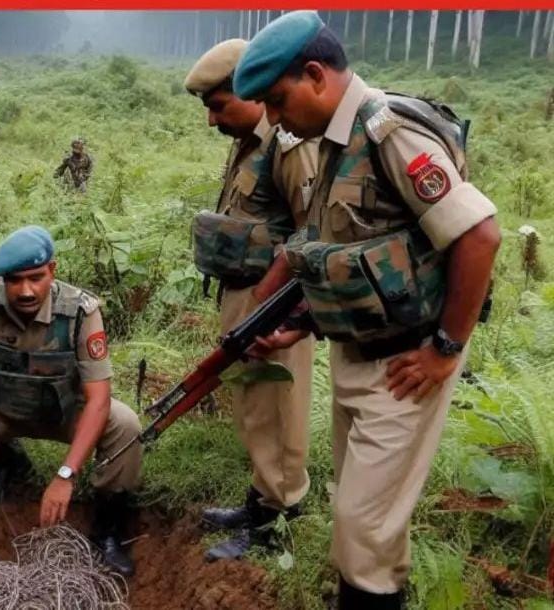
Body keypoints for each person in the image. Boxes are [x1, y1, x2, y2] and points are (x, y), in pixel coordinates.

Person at [234, 11, 500, 607]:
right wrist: (296, 321)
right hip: (357, 352)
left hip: (407, 363)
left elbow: (479, 235)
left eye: (277, 100)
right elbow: (341, 248)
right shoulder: (331, 141)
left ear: (314, 75)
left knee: (360, 525)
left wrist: (446, 350)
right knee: (365, 519)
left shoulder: (387, 133)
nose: (273, 119)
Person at [0, 225, 143, 577]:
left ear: (52, 270)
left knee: (125, 426)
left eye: (36, 278)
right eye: (15, 280)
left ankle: (108, 529)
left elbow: (99, 399)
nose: (25, 290)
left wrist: (66, 474)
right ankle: (5, 458)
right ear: (3, 280)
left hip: (64, 413)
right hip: (4, 410)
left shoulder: (80, 312)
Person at [183, 38, 319, 562]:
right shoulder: (249, 142)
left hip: (275, 302)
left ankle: (275, 526)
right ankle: (260, 501)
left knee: (277, 409)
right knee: (253, 409)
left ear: (253, 91)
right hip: (245, 294)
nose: (213, 121)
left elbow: (313, 235)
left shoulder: (288, 146)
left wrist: (287, 313)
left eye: (219, 107)